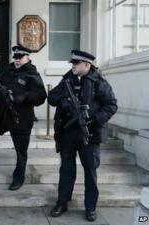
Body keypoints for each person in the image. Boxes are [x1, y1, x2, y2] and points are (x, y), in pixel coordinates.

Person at [48, 50, 117, 222]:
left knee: (90, 171)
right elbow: (52, 97)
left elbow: (111, 105)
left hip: (89, 133)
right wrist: (64, 102)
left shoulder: (98, 82)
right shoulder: (67, 80)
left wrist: (95, 120)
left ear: (87, 65)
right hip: (68, 133)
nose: (73, 66)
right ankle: (62, 202)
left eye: (76, 64)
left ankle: (90, 207)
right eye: (72, 63)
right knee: (66, 170)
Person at [0, 46, 47, 191]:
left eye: (20, 57)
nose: (17, 60)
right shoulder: (8, 70)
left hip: (21, 117)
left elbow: (41, 96)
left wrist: (25, 97)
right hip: (3, 114)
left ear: (28, 57)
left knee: (20, 151)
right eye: (15, 57)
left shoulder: (32, 74)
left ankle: (19, 177)